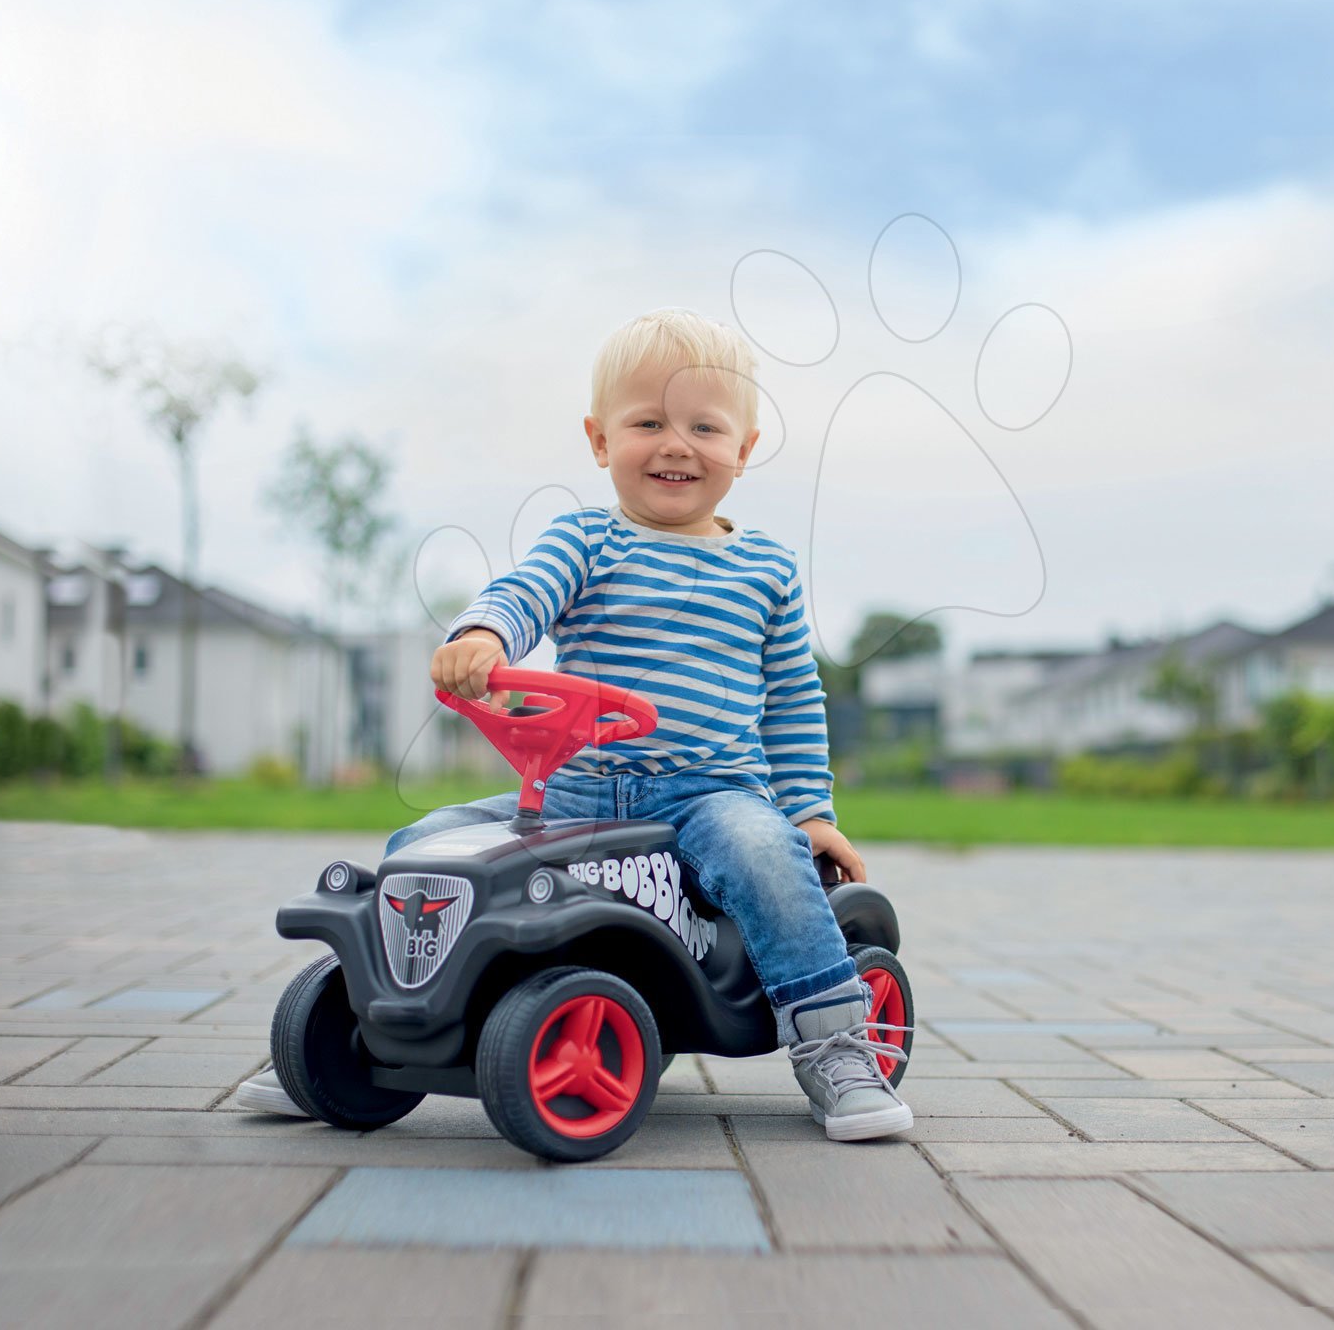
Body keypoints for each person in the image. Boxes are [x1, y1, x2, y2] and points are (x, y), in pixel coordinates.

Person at [238, 307, 911, 1140]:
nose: (675, 444)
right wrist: (483, 635)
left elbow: (792, 700)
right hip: (576, 788)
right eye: (648, 423)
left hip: (708, 793)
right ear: (600, 441)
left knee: (765, 857)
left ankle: (837, 1047)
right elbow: (527, 591)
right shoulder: (587, 539)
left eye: (705, 426)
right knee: (426, 843)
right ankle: (358, 1025)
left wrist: (809, 813)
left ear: (744, 447)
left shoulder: (765, 570)